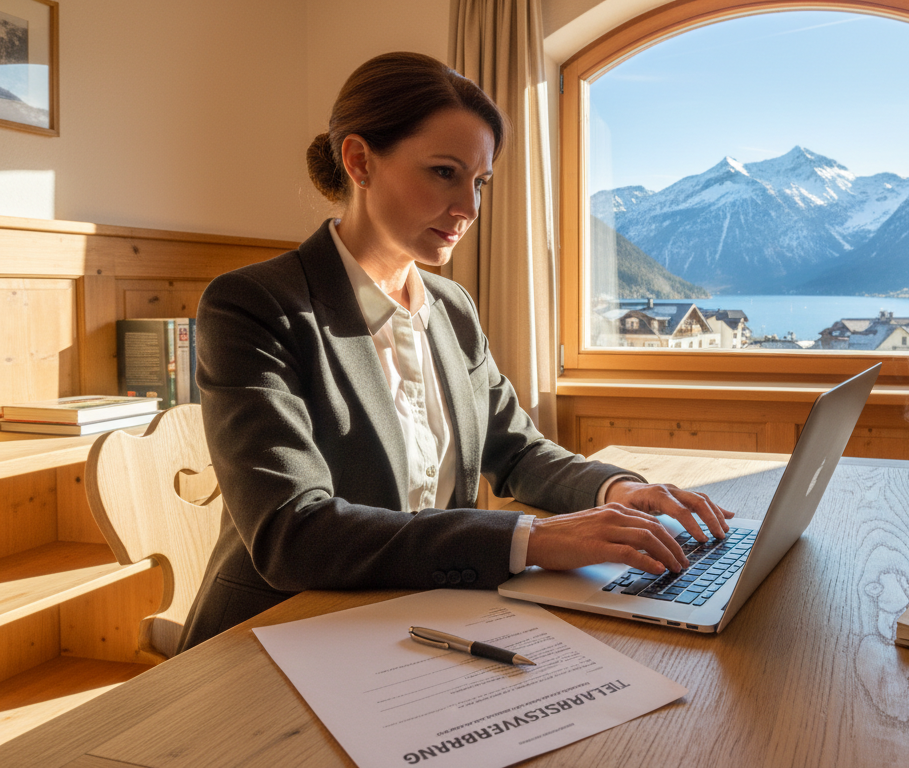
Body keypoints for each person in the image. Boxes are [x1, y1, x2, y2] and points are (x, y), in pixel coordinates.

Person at [178, 52, 732, 651]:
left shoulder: (451, 307)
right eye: (444, 172)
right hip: (277, 634)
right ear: (360, 161)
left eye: (479, 182)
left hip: (424, 621)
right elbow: (295, 533)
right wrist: (529, 539)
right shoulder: (256, 307)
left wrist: (617, 491)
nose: (468, 208)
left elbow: (516, 451)